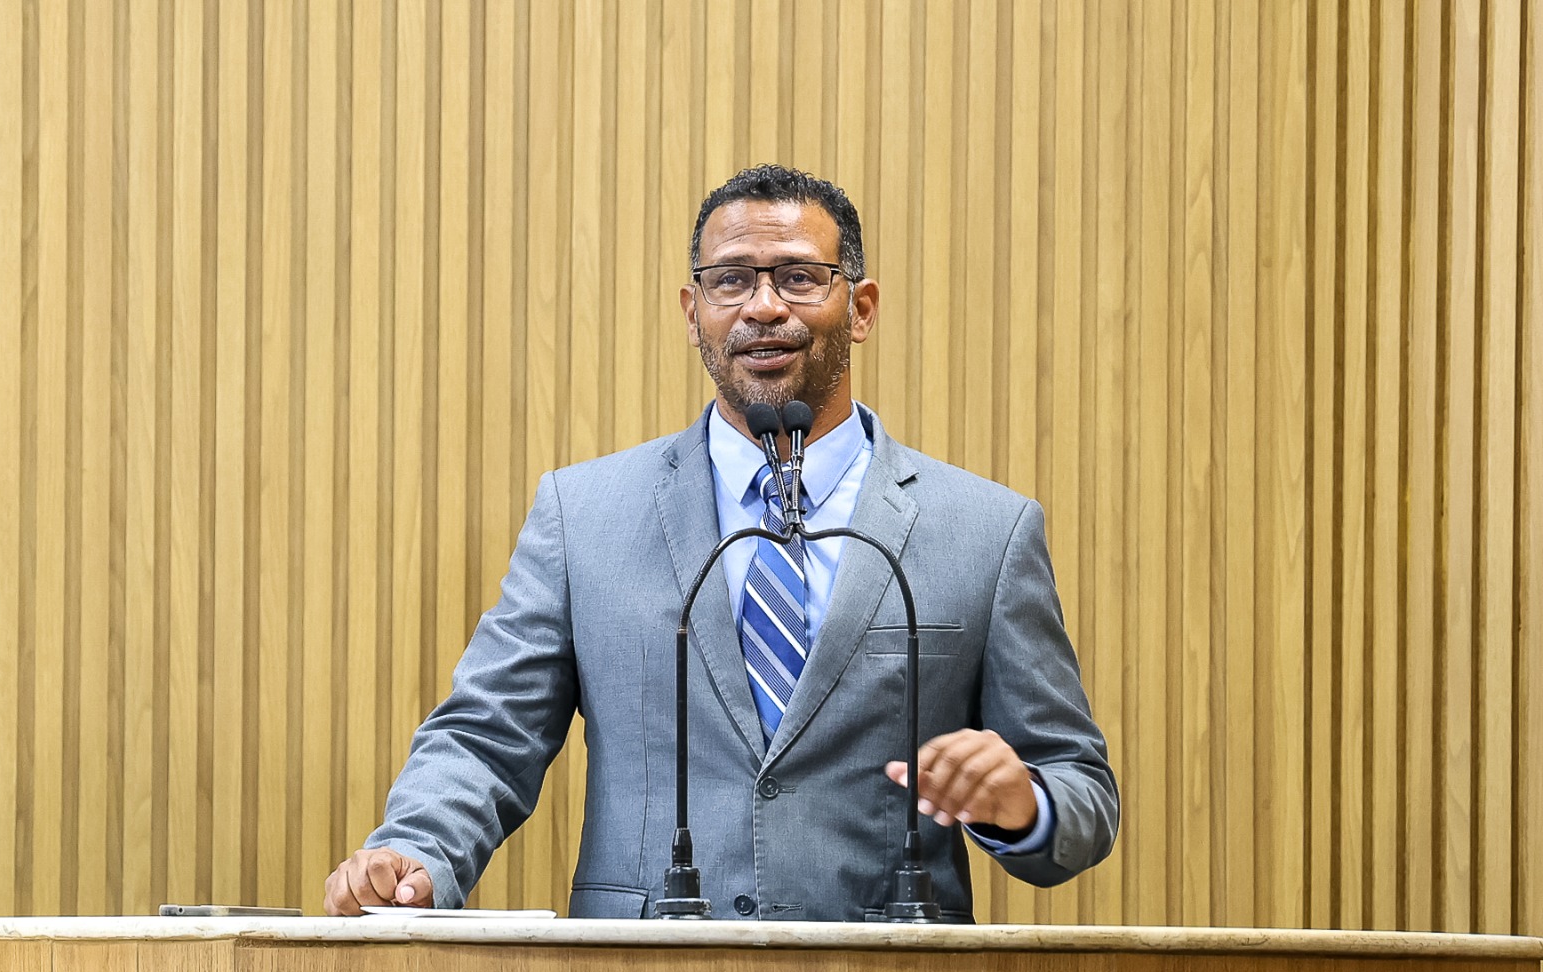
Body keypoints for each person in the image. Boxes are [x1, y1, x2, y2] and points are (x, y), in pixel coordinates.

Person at [324, 165, 1117, 921]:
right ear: (692, 311)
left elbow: (1081, 790)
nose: (762, 306)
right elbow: (488, 734)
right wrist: (416, 850)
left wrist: (1025, 803)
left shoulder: (988, 531)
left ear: (862, 308)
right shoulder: (583, 515)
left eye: (799, 277)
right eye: (730, 280)